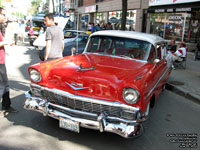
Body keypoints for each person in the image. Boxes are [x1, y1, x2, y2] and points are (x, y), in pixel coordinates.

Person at [0, 7, 18, 117]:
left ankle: (6, 105)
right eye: (2, 14)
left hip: (1, 60)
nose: (4, 16)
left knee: (5, 84)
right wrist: (6, 42)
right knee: (2, 85)